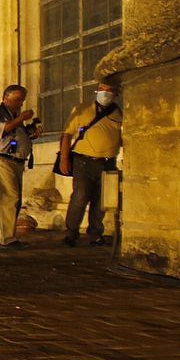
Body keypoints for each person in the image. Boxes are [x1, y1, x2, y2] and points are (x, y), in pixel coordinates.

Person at [58, 78, 122, 247]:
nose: (104, 94)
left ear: (115, 94)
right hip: (84, 162)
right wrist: (64, 159)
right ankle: (71, 233)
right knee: (80, 197)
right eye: (101, 89)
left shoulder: (119, 114)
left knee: (101, 201)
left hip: (108, 162)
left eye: (108, 91)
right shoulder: (83, 109)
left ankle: (95, 234)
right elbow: (66, 134)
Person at [0, 84, 42, 248]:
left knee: (11, 198)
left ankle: (4, 235)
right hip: (3, 160)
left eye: (22, 100)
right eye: (17, 100)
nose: (20, 104)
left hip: (15, 160)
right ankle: (6, 239)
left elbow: (15, 134)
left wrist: (32, 133)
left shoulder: (13, 115)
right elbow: (3, 130)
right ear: (5, 98)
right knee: (9, 198)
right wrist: (21, 118)